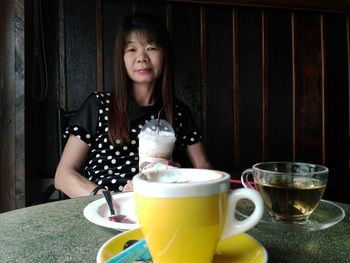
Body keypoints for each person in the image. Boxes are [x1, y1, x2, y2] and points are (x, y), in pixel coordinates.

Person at [54, 12, 212, 198]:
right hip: (105, 208)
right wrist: (111, 198)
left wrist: (179, 177)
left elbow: (204, 168)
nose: (142, 57)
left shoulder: (177, 112)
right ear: (121, 57)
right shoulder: (98, 105)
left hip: (159, 207)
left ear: (164, 55)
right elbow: (63, 176)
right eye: (131, 49)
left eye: (151, 48)